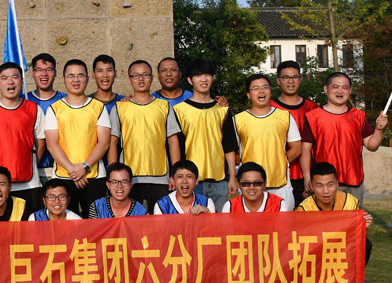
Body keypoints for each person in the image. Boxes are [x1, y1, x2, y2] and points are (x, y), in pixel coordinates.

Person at [300, 71, 388, 203]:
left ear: (350, 91)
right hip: (324, 182)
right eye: (335, 87)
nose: (340, 91)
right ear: (326, 89)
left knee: (353, 215)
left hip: (353, 180)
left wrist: (379, 129)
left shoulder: (358, 116)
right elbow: (305, 149)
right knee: (327, 216)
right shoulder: (313, 117)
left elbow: (372, 145)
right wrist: (307, 176)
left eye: (345, 87)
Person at [0, 62, 46, 214]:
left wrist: (30, 163)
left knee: (31, 225)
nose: (10, 82)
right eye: (5, 78)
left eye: (15, 77)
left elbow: (41, 143)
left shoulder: (34, 109)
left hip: (29, 184)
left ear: (21, 81)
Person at [108, 60, 181, 211]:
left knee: (162, 220)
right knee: (131, 221)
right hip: (128, 179)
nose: (141, 79)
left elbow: (173, 141)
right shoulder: (120, 107)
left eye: (145, 75)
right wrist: (114, 177)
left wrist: (176, 174)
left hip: (160, 178)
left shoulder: (164, 106)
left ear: (152, 77)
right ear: (129, 80)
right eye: (136, 76)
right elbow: (112, 142)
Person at [222, 73, 302, 210]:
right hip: (251, 187)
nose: (261, 91)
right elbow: (231, 150)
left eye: (265, 87)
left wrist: (280, 159)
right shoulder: (238, 120)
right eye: (256, 88)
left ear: (270, 91)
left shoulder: (285, 116)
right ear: (248, 95)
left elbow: (297, 147)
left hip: (281, 185)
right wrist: (243, 164)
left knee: (284, 223)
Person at [44, 59, 111, 216]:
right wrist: (72, 170)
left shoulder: (98, 107)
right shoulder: (54, 109)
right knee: (66, 223)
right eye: (71, 76)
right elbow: (52, 144)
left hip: (94, 176)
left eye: (80, 75)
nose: (76, 80)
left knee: (95, 222)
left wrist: (84, 167)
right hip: (63, 177)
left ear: (87, 78)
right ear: (63, 79)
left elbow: (104, 142)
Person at [173, 59, 231, 211]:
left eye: (207, 75)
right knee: (192, 223)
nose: (203, 79)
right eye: (198, 75)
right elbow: (176, 146)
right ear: (190, 80)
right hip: (190, 179)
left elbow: (229, 146)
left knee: (219, 222)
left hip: (219, 179)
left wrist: (232, 178)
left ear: (213, 77)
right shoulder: (179, 110)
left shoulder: (223, 109)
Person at [296, 162, 373, 273]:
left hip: (342, 248)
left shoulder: (349, 201)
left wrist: (362, 228)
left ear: (337, 184)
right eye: (319, 186)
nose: (326, 191)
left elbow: (355, 238)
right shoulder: (304, 209)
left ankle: (353, 276)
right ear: (311, 186)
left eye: (330, 185)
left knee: (365, 244)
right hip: (318, 252)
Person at [270, 60, 321, 205]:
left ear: (300, 79)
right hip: (278, 174)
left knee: (306, 216)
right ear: (278, 81)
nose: (290, 81)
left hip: (306, 176)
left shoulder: (312, 107)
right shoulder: (270, 107)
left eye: (294, 77)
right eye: (286, 77)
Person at [26, 53, 66, 182]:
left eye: (49, 70)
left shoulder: (66, 100)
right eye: (39, 70)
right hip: (30, 169)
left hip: (61, 168)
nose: (44, 74)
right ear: (33, 73)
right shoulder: (23, 100)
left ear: (55, 73)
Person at [221, 162, 291, 213]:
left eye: (257, 183)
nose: (251, 187)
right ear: (239, 185)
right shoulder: (230, 206)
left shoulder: (278, 204)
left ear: (265, 185)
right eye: (246, 183)